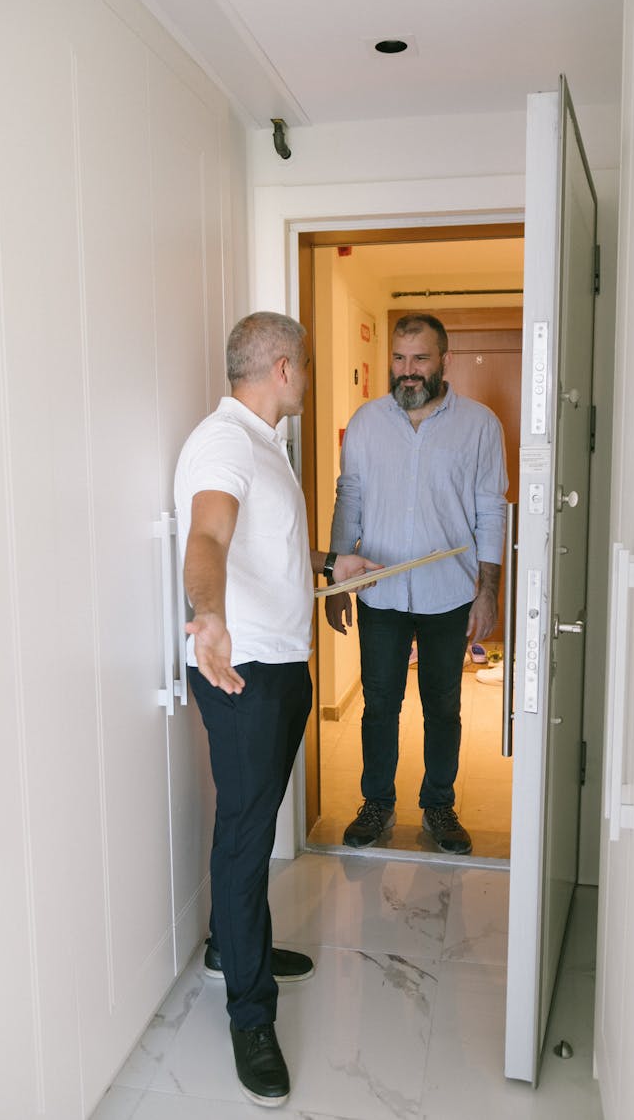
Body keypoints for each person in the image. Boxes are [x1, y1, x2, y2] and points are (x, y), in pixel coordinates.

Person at [174, 311, 379, 1108]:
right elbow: (209, 540)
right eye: (307, 364)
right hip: (247, 673)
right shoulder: (226, 443)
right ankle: (249, 1014)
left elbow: (266, 544)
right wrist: (208, 615)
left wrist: (332, 562)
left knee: (250, 827)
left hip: (275, 666)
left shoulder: (263, 445)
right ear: (284, 368)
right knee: (245, 836)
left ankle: (234, 945)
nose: (309, 375)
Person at [326, 313, 508, 856]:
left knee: (443, 706)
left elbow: (491, 510)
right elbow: (349, 500)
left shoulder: (479, 425)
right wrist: (337, 580)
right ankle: (377, 802)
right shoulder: (365, 423)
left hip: (448, 593)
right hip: (381, 590)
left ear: (443, 361)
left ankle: (439, 805)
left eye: (420, 359)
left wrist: (488, 587)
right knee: (380, 704)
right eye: (400, 359)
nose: (408, 371)